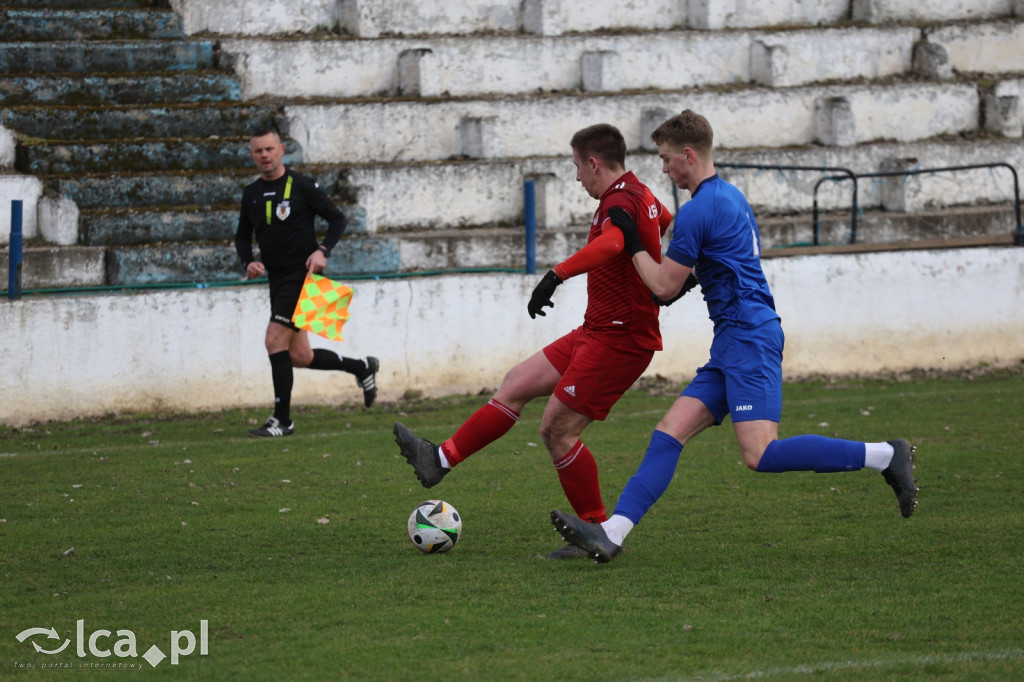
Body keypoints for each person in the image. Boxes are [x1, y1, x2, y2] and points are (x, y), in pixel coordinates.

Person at [551, 110, 918, 563]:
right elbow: (698, 275)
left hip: (749, 338)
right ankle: (613, 533)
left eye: (667, 160)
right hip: (734, 339)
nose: (663, 169)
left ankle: (885, 454)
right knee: (668, 433)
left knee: (760, 453)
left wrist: (632, 245)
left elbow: (663, 286)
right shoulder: (729, 197)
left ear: (688, 155)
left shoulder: (698, 210)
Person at [393, 123, 672, 558]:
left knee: (556, 430)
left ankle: (596, 531)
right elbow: (664, 223)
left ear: (594, 163)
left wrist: (556, 274)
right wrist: (659, 275)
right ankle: (439, 460)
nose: (577, 176)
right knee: (517, 382)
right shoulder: (642, 193)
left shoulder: (619, 200)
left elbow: (615, 243)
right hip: (595, 329)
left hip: (620, 339)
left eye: (578, 167)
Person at [235, 126, 379, 437]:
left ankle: (282, 420)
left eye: (269, 149)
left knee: (274, 340)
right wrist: (248, 262)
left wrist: (322, 250)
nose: (265, 156)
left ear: (282, 149)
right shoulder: (251, 193)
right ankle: (362, 367)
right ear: (252, 155)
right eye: (258, 151)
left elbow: (337, 219)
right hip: (277, 278)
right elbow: (242, 236)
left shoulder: (301, 185)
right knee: (300, 356)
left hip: (303, 276)